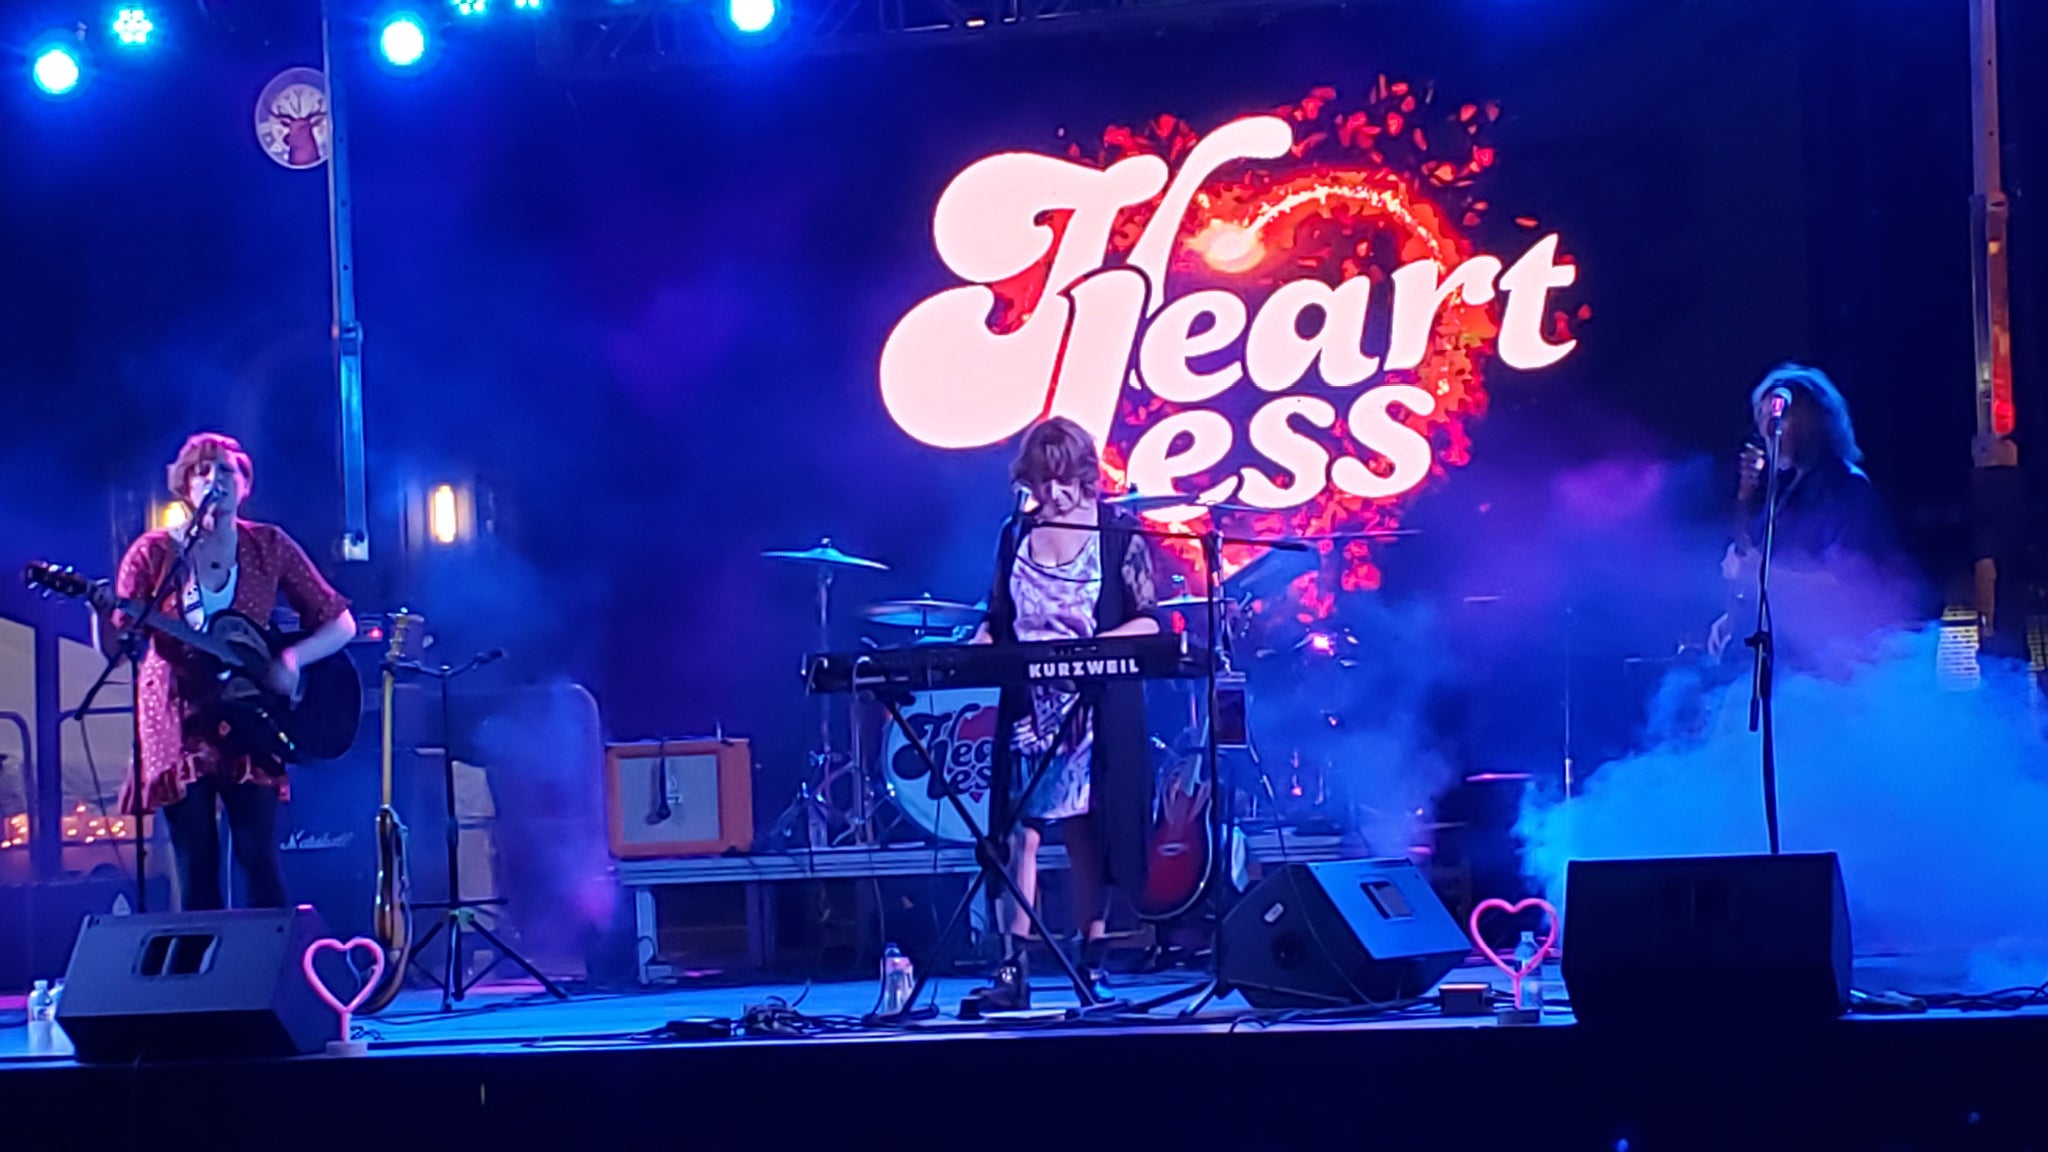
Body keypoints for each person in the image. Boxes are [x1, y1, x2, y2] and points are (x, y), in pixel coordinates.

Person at [107, 432, 356, 911]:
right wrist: (101, 613)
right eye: (201, 471)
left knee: (257, 854)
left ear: (245, 485)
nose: (213, 479)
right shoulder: (154, 553)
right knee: (195, 862)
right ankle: (202, 961)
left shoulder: (269, 546)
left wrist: (291, 660)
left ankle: (274, 956)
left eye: (225, 470)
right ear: (185, 486)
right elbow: (118, 647)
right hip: (178, 716)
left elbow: (340, 622)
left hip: (251, 716)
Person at [968, 416, 1160, 1011]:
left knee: (1086, 834)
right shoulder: (1015, 534)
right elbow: (997, 618)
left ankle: (1091, 962)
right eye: (1040, 481)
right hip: (1029, 702)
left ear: (1085, 475)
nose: (1052, 493)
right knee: (1017, 834)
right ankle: (1013, 970)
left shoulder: (1117, 533)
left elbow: (1148, 621)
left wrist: (1091, 653)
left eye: (1063, 480)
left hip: (1093, 705)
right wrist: (972, 649)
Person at [1706, 363, 1907, 681]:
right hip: (1785, 665)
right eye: (1762, 418)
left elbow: (1847, 586)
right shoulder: (1784, 493)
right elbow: (1751, 564)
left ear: (1817, 420)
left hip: (1829, 671)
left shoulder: (1847, 487)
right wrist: (1732, 618)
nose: (1769, 429)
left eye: (1780, 417)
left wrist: (1760, 574)